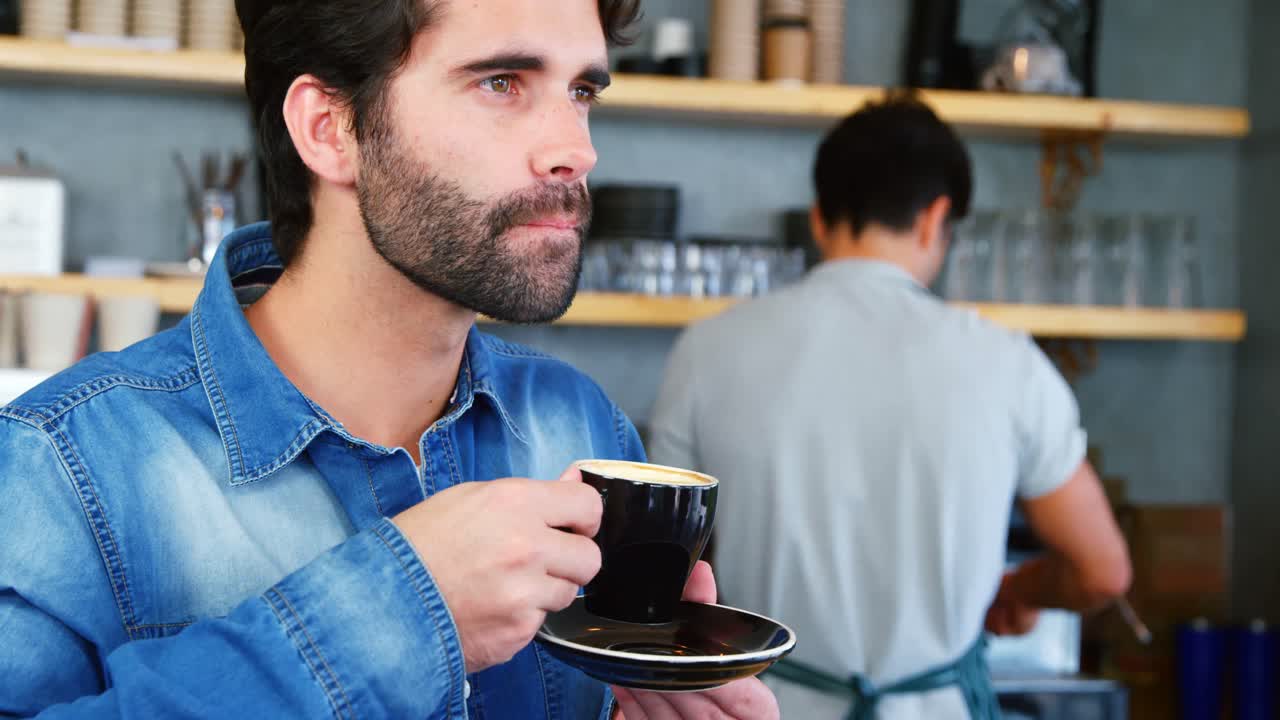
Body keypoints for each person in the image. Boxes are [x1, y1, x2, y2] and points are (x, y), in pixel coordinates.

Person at [0, 1, 779, 718]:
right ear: (329, 128)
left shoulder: (582, 427)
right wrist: (400, 611)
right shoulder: (61, 468)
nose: (577, 150)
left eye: (581, 91)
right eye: (503, 83)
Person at [647, 94, 1132, 719]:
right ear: (936, 219)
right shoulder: (1009, 364)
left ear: (820, 218)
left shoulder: (706, 351)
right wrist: (1014, 590)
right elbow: (1103, 571)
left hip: (763, 705)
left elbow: (665, 566)